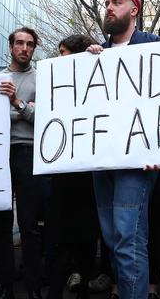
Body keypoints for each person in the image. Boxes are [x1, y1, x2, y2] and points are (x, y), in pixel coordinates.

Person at [86, 0, 160, 299]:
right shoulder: (95, 55)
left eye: (117, 2)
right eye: (106, 3)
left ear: (134, 9)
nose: (109, 7)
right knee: (114, 236)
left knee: (129, 236)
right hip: (102, 157)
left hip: (138, 160)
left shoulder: (154, 46)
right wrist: (85, 64)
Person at [48, 34, 100, 299]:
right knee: (60, 238)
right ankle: (55, 291)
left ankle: (82, 289)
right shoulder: (55, 84)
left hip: (89, 174)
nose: (60, 57)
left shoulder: (98, 79)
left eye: (64, 52)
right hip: (63, 171)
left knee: (86, 239)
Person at [0, 27, 41, 299]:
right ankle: (5, 285)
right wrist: (25, 109)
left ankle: (34, 286)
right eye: (20, 43)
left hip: (29, 153)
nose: (25, 48)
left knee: (29, 225)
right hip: (0, 153)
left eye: (30, 44)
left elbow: (42, 119)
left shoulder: (42, 78)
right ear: (11, 46)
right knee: (1, 224)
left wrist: (14, 102)